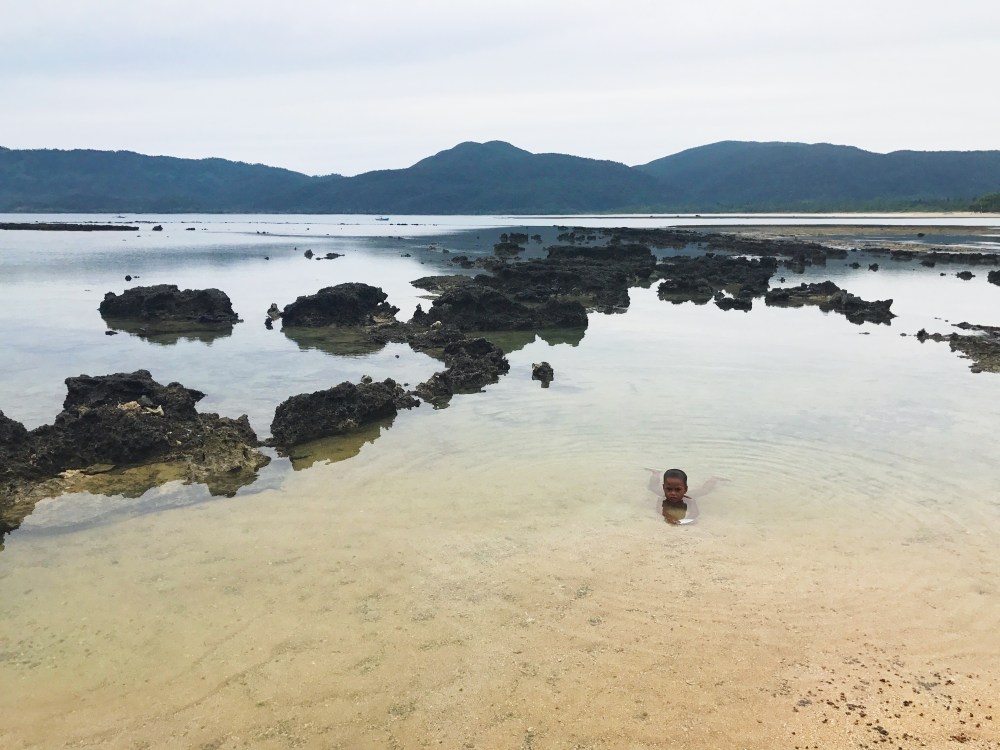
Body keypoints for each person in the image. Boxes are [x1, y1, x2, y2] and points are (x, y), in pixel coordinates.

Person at [645, 468, 723, 525]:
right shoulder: (662, 498)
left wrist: (686, 521)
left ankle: (714, 479)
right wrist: (669, 517)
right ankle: (656, 473)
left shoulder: (689, 499)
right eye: (668, 489)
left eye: (678, 489)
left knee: (704, 491)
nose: (673, 493)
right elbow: (659, 510)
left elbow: (695, 512)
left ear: (685, 489)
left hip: (688, 495)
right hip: (664, 494)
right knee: (653, 487)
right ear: (664, 488)